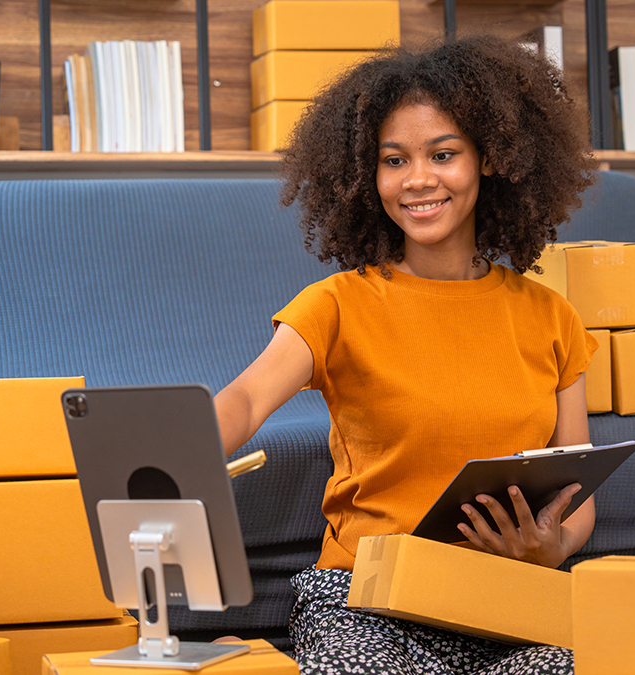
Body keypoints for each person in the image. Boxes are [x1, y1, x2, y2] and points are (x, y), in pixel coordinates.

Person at [214, 34, 599, 674]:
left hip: (504, 598)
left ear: (490, 161)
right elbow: (248, 397)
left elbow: (579, 488)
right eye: (395, 161)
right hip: (366, 602)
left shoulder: (550, 317)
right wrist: (179, 446)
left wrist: (551, 547)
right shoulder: (337, 303)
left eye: (443, 155)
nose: (418, 180)